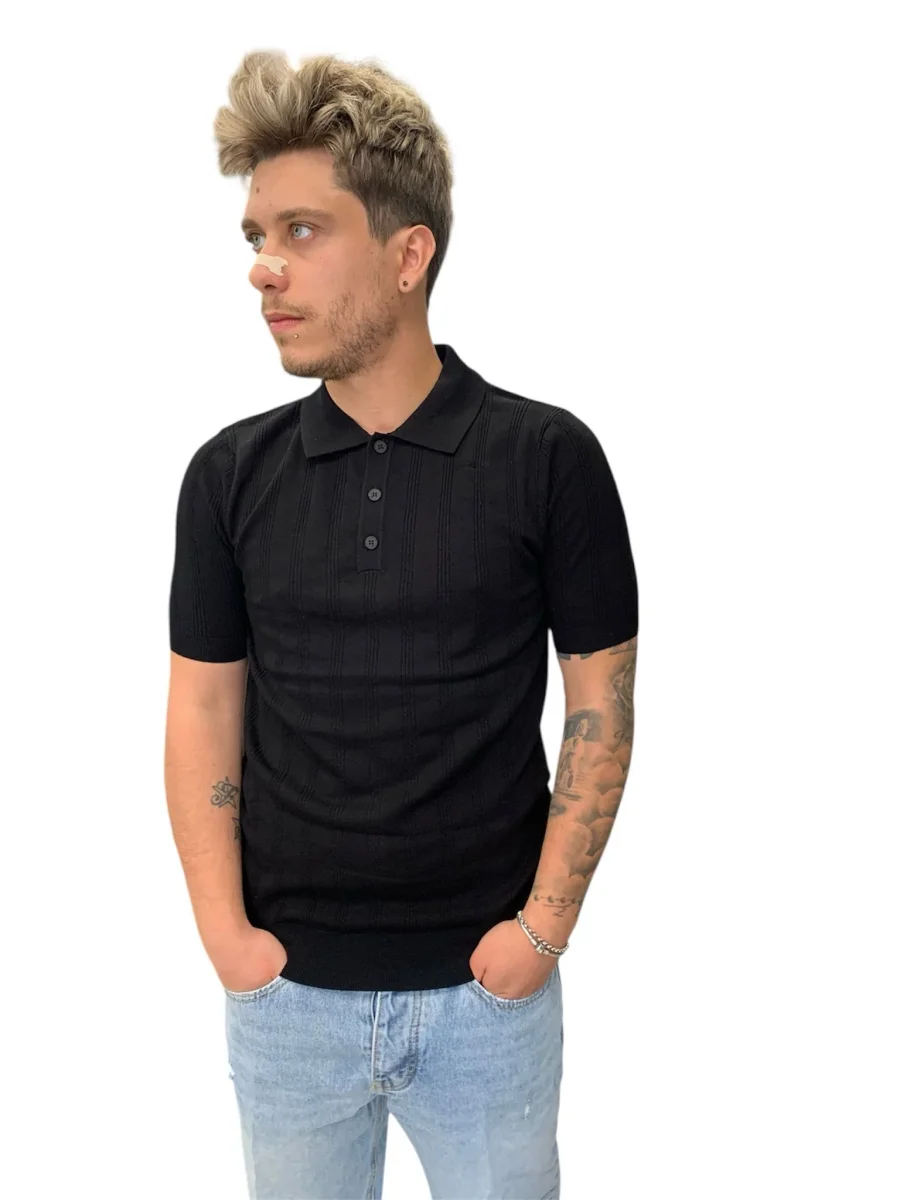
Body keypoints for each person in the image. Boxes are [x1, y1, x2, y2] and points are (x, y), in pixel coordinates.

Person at [165, 49, 639, 1200]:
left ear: (408, 252)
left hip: (487, 999)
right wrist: (230, 942)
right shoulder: (229, 476)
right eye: (256, 236)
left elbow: (600, 702)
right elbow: (203, 705)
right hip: (288, 1003)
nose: (264, 267)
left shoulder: (547, 458)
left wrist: (540, 934)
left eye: (303, 231)